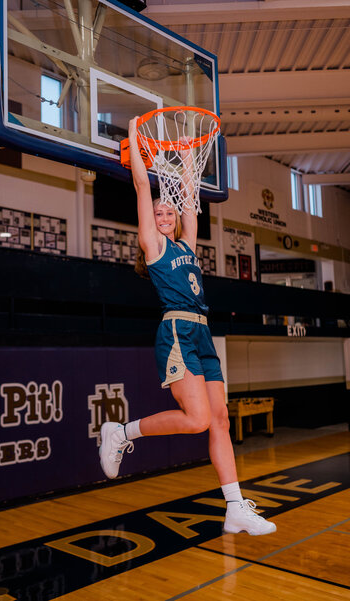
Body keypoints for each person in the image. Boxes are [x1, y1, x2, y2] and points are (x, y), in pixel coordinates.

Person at [99, 117, 276, 536]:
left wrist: (186, 155)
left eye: (168, 209)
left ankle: (234, 506)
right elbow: (144, 188)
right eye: (157, 212)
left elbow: (191, 196)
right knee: (196, 418)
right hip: (177, 331)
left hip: (202, 332)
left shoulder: (186, 245)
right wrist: (135, 133)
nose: (162, 212)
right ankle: (121, 431)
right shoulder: (155, 246)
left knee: (219, 420)